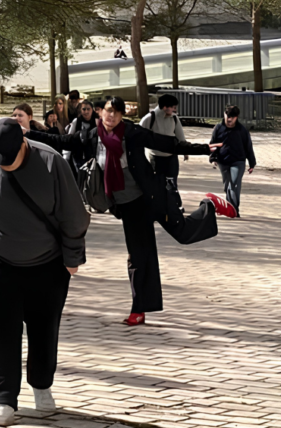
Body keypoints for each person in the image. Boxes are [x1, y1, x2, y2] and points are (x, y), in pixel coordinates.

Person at [0, 118, 89, 427]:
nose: (3, 163)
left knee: (44, 330)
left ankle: (41, 386)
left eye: (9, 157)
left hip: (47, 264)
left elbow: (73, 215)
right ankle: (3, 400)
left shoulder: (51, 162)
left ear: (23, 145)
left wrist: (72, 257)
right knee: (0, 333)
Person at [96, 96, 229, 328]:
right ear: (101, 112)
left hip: (153, 197)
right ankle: (139, 309)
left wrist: (201, 148)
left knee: (184, 234)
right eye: (108, 111)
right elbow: (61, 140)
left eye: (117, 112)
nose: (112, 116)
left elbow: (166, 143)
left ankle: (209, 205)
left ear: (121, 115)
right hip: (129, 207)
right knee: (139, 257)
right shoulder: (92, 136)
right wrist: (29, 134)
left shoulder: (132, 132)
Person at [209, 105, 256, 217]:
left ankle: (234, 210)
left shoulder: (242, 130)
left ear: (236, 117)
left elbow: (248, 147)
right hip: (223, 160)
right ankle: (230, 208)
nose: (229, 119)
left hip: (238, 161)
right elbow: (213, 143)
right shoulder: (218, 128)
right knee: (227, 186)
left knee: (234, 184)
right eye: (228, 116)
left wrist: (252, 163)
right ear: (224, 114)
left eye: (232, 117)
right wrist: (213, 157)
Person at [139, 94, 187, 188]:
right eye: (173, 107)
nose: (175, 110)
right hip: (154, 158)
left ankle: (171, 197)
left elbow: (180, 136)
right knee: (156, 185)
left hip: (171, 158)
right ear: (165, 107)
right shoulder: (149, 118)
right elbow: (138, 137)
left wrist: (185, 151)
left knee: (172, 186)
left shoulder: (174, 118)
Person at [67, 100, 98, 177]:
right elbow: (69, 137)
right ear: (81, 110)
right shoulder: (76, 121)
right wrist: (66, 156)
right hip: (78, 155)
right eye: (84, 109)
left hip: (92, 156)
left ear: (92, 110)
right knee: (80, 176)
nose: (86, 111)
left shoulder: (97, 122)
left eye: (88, 109)